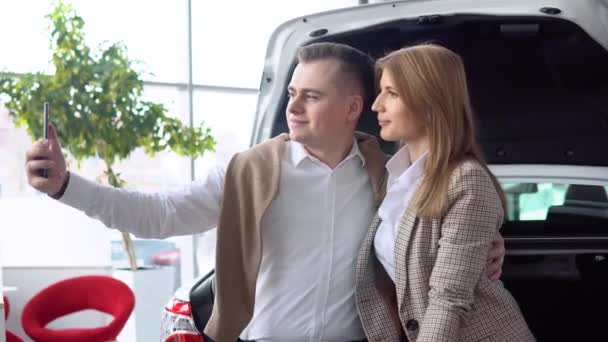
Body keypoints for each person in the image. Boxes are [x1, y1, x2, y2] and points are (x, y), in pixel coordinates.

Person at [25, 42, 505, 342]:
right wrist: (68, 186)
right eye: (292, 93)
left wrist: (491, 242)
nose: (292, 106)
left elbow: (439, 223)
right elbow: (160, 215)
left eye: (311, 96)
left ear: (352, 107)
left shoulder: (387, 174)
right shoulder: (248, 172)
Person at [355, 44, 534, 342]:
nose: (376, 105)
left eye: (392, 93)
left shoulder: (466, 180)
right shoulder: (396, 176)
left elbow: (448, 299)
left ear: (428, 102)